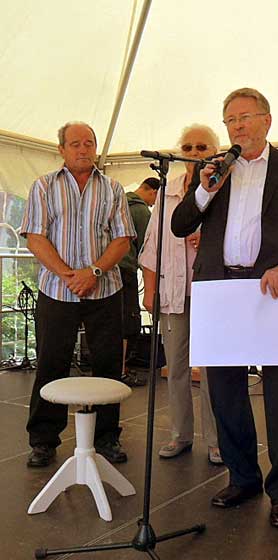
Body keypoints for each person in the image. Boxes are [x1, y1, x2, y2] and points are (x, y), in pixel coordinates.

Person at [171, 88, 278, 528]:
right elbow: (181, 224)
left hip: (274, 289)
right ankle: (242, 477)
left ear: (266, 120)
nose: (238, 126)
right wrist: (204, 192)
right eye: (230, 119)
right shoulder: (213, 170)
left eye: (245, 117)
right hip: (221, 290)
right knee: (224, 390)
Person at [21, 122, 136, 467]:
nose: (83, 149)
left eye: (89, 143)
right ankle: (43, 440)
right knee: (50, 362)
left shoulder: (113, 188)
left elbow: (122, 239)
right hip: (57, 290)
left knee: (108, 365)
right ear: (62, 149)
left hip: (105, 289)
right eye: (75, 144)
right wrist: (68, 275)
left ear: (96, 148)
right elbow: (35, 237)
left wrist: (94, 272)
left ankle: (107, 437)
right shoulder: (44, 186)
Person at [140, 124, 223, 465]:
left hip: (213, 293)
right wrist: (150, 289)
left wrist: (211, 239)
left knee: (214, 373)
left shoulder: (226, 186)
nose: (193, 153)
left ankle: (217, 440)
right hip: (174, 292)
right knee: (175, 367)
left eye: (202, 147)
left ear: (215, 151)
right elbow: (152, 243)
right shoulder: (167, 190)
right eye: (187, 147)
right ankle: (180, 434)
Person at [119, 177, 159, 387]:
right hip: (125, 270)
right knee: (128, 321)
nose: (153, 204)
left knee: (112, 321)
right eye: (155, 200)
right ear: (152, 191)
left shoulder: (119, 203)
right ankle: (121, 371)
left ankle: (111, 370)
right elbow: (147, 249)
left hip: (107, 270)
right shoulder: (142, 211)